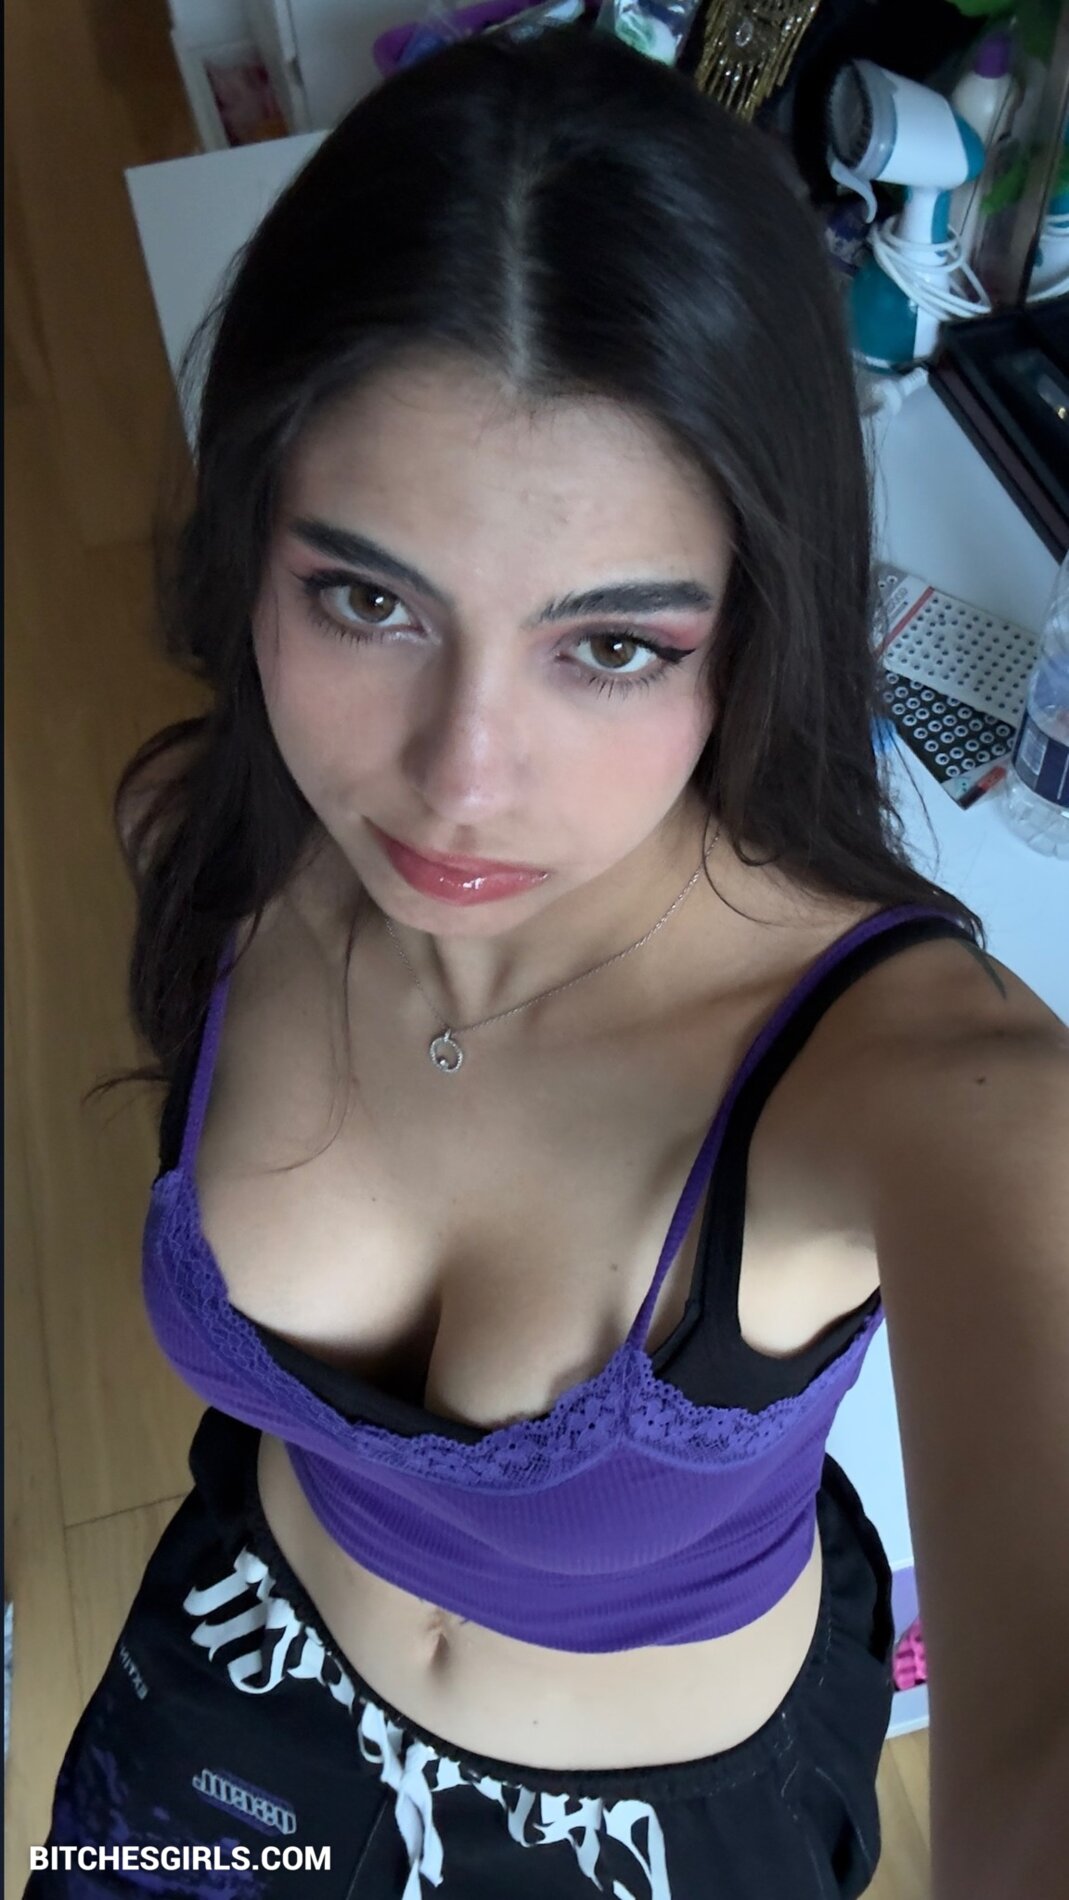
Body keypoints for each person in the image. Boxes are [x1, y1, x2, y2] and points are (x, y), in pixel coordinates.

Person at [27, 23, 1067, 1900]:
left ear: (752, 619)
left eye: (610, 646)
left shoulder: (917, 1084)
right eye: (367, 598)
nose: (457, 782)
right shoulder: (216, 832)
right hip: (238, 1681)